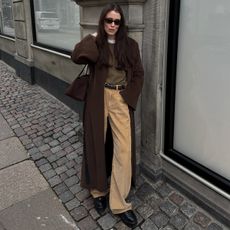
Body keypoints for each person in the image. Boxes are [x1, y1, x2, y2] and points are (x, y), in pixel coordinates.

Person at [71, 3, 144, 228]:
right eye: (108, 21)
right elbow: (76, 56)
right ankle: (98, 191)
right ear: (102, 21)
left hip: (120, 98)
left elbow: (139, 73)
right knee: (96, 143)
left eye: (116, 21)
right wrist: (93, 36)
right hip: (98, 98)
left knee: (123, 149)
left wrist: (128, 97)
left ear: (121, 24)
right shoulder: (97, 43)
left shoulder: (130, 45)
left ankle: (120, 203)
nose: (112, 25)